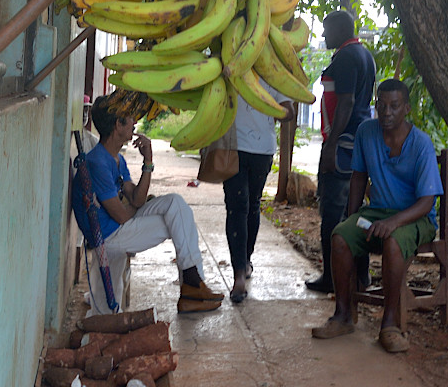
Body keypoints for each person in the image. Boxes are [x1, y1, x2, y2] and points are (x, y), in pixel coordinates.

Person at [310, 79, 442, 353]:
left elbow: (427, 201)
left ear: (406, 108)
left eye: (394, 106)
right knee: (340, 237)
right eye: (381, 105)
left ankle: (390, 325)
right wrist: (352, 218)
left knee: (392, 241)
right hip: (376, 212)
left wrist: (393, 222)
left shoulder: (421, 144)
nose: (387, 112)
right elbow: (358, 178)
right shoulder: (366, 132)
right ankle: (343, 315)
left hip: (416, 218)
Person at [71, 95, 223, 314]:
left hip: (121, 224)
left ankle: (192, 283)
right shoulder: (98, 163)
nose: (135, 122)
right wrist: (134, 206)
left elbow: (137, 199)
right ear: (118, 125)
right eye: (130, 118)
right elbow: (123, 215)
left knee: (176, 204)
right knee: (176, 221)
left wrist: (148, 161)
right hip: (111, 235)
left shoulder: (116, 158)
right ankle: (192, 285)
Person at [307, 9, 376, 293]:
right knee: (355, 212)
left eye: (326, 29)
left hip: (344, 143)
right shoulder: (363, 55)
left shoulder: (347, 57)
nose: (323, 36)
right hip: (358, 141)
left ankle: (331, 278)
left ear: (341, 29)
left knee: (333, 213)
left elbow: (345, 103)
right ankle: (361, 276)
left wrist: (331, 145)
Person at [223, 82, 294, 304]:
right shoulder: (229, 66)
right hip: (232, 147)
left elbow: (288, 112)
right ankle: (238, 275)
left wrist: (266, 104)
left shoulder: (272, 71)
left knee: (251, 206)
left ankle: (245, 262)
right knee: (237, 208)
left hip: (262, 150)